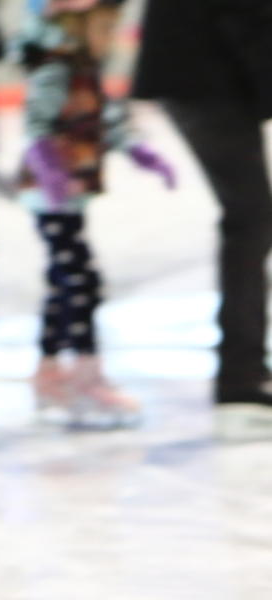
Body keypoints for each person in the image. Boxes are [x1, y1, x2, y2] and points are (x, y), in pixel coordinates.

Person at [15, 0, 174, 428]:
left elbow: (108, 121)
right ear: (79, 25)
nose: (112, 38)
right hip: (52, 197)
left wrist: (143, 153)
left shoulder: (85, 66)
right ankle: (86, 376)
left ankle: (49, 372)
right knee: (82, 281)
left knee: (61, 281)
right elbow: (36, 125)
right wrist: (50, 173)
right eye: (106, 28)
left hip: (70, 193)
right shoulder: (58, 66)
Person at [133, 0, 272, 441]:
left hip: (205, 74)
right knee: (251, 218)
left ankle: (244, 373)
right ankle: (240, 381)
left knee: (251, 217)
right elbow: (247, 15)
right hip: (207, 78)